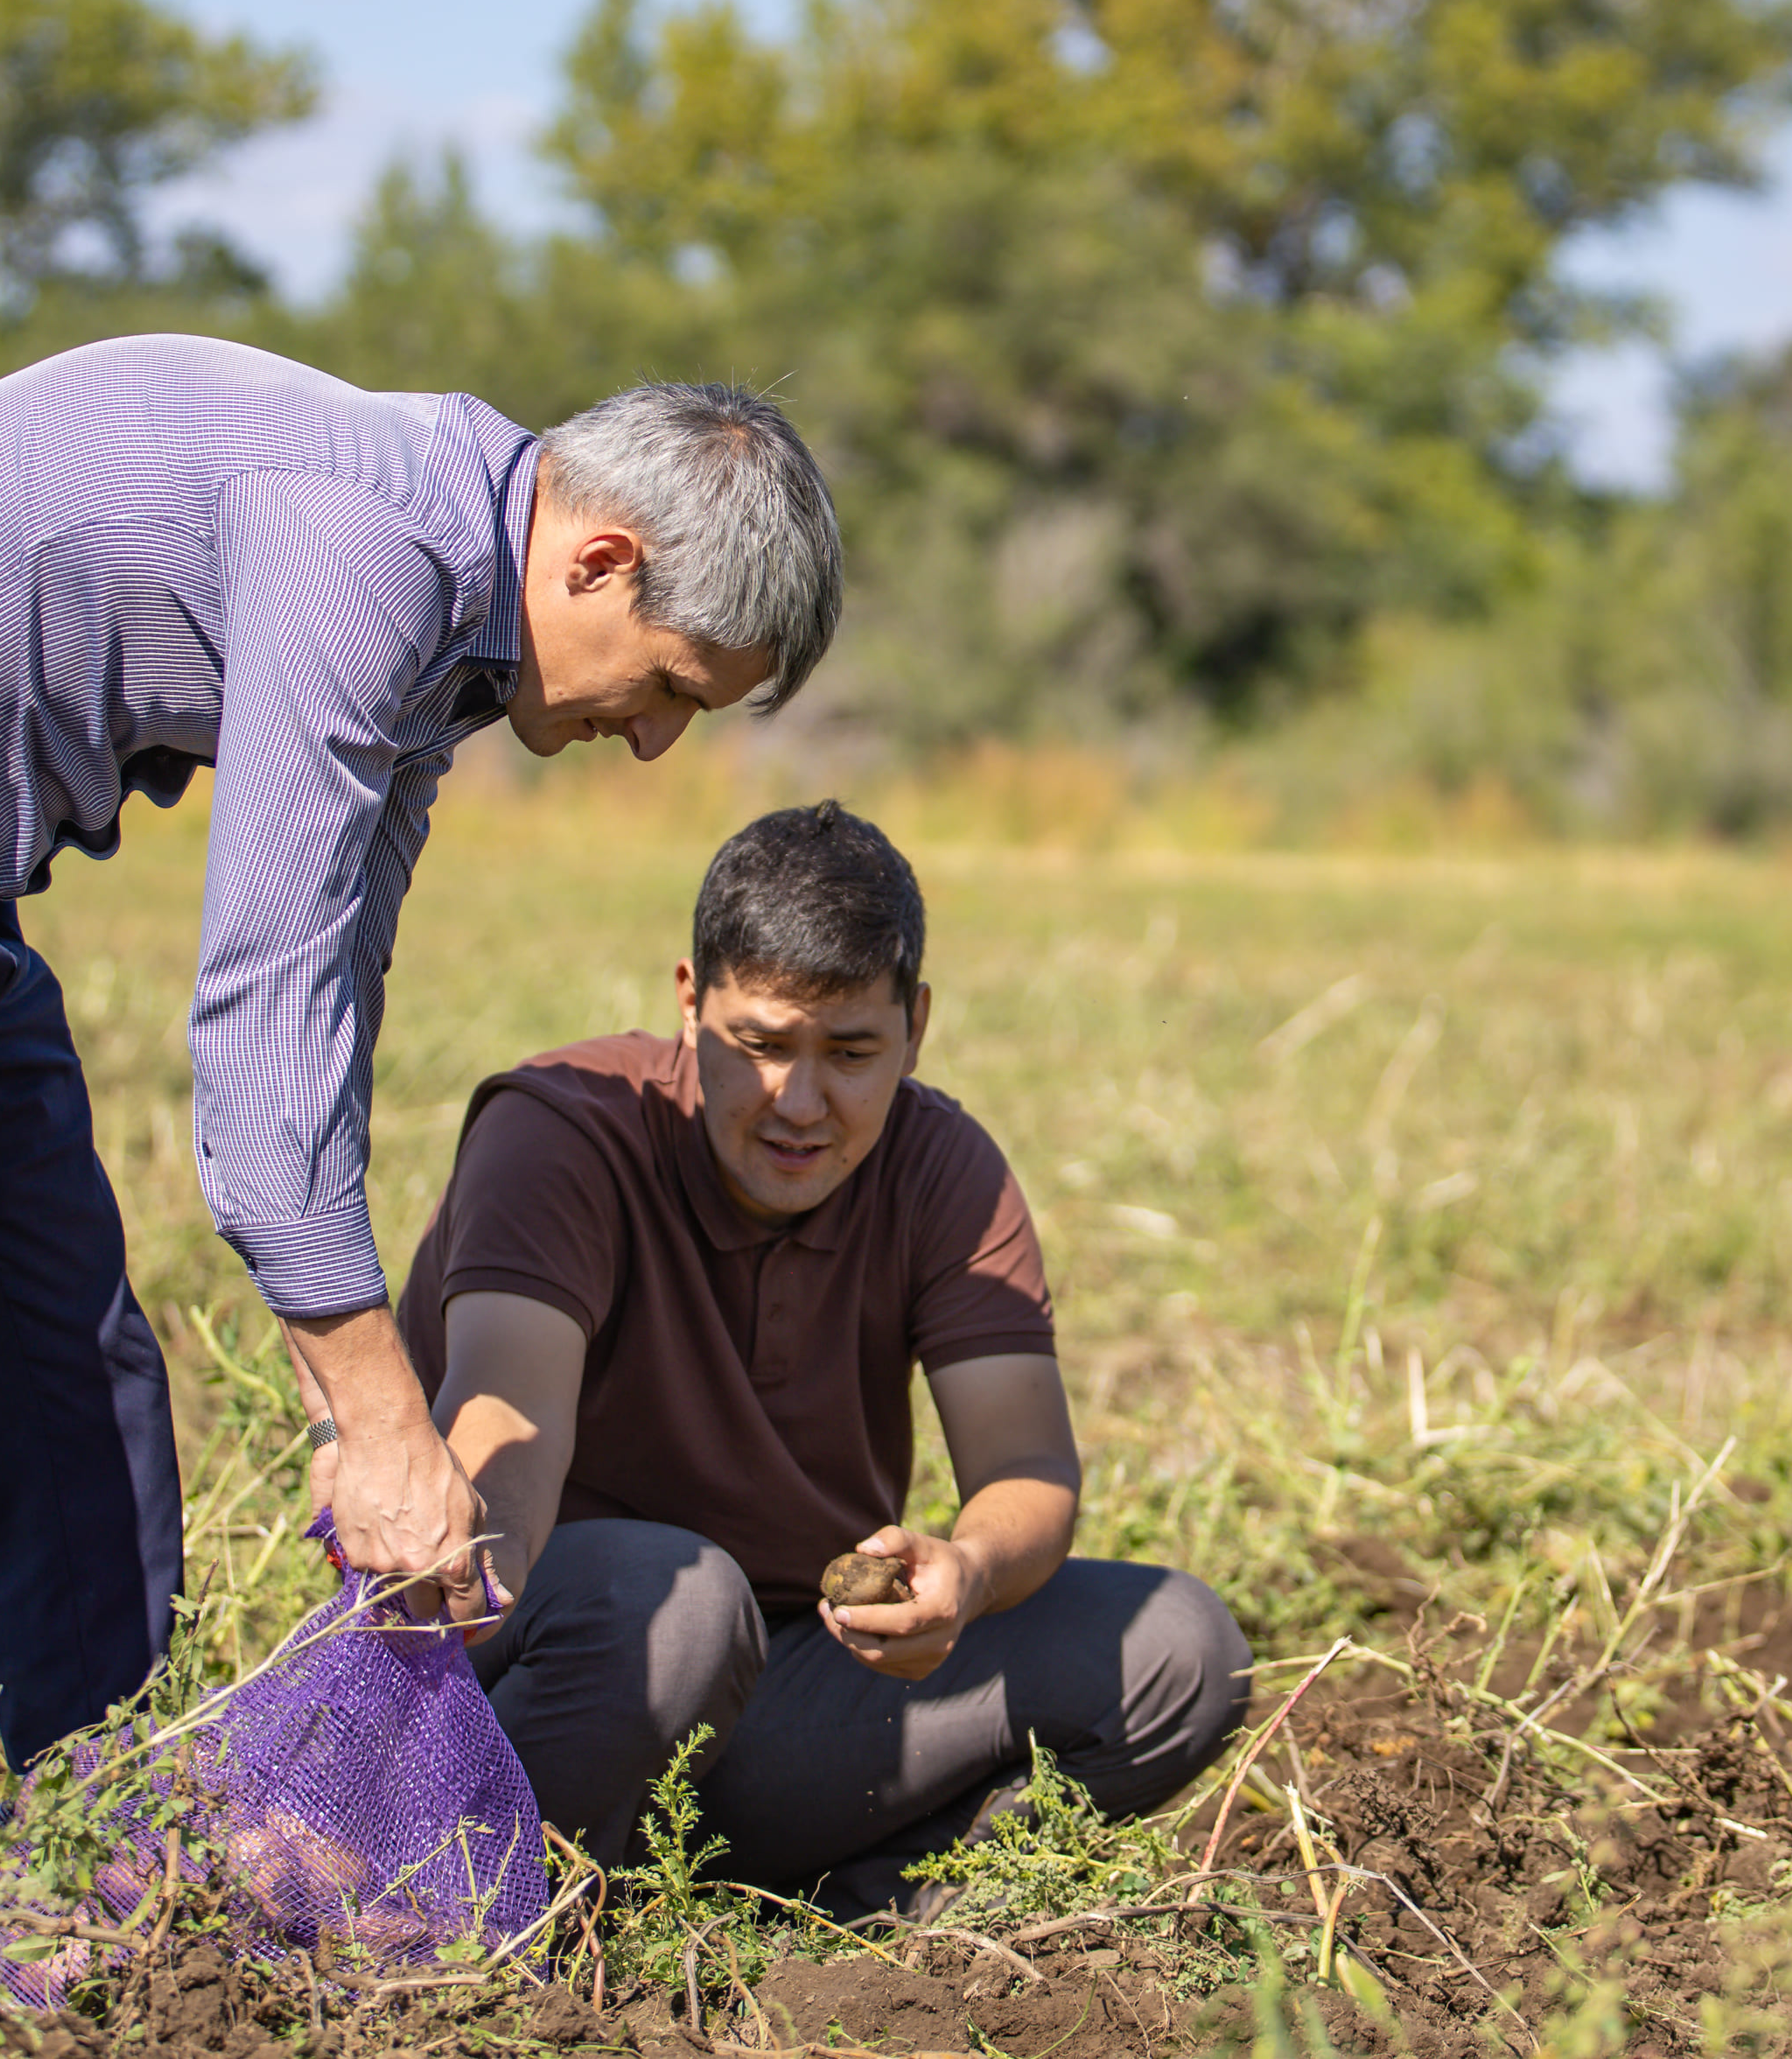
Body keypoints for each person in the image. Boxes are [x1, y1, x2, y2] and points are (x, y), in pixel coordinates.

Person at [0, 337, 839, 1903]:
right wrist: (379, 1422)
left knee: (74, 1384)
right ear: (600, 559)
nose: (654, 741)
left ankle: (101, 1880)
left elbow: (335, 998)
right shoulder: (375, 546)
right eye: (672, 690)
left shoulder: (451, 621)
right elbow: (258, 1017)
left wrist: (344, 1391)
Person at [395, 802, 1251, 1911]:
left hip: (785, 1691)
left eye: (851, 1053)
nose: (798, 1105)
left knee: (1182, 1651)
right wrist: (402, 1691)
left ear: (918, 1027)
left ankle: (864, 1912)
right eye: (757, 1046)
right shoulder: (564, 1130)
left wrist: (969, 1573)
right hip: (555, 1673)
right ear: (690, 1002)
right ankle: (449, 1899)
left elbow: (1027, 1468)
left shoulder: (945, 1173)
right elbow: (505, 1437)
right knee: (682, 1598)